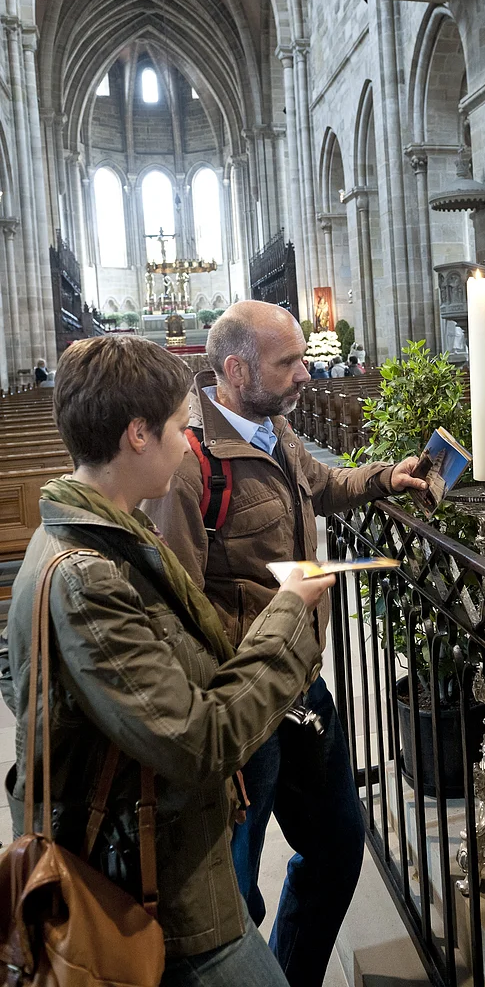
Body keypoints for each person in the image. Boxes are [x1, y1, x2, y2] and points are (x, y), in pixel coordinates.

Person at [0, 335, 335, 986]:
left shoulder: (79, 530)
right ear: (137, 434)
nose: (188, 445)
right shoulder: (88, 573)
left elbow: (25, 679)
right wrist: (290, 612)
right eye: (180, 428)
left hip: (157, 854)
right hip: (156, 893)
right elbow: (201, 739)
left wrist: (112, 722)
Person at [142, 301, 425, 987]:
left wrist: (388, 477)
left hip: (304, 688)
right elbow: (172, 607)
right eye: (288, 362)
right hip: (242, 711)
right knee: (232, 897)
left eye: (303, 357)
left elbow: (321, 487)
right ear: (236, 369)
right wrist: (218, 721)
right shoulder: (188, 467)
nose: (305, 372)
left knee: (336, 849)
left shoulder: (275, 426)